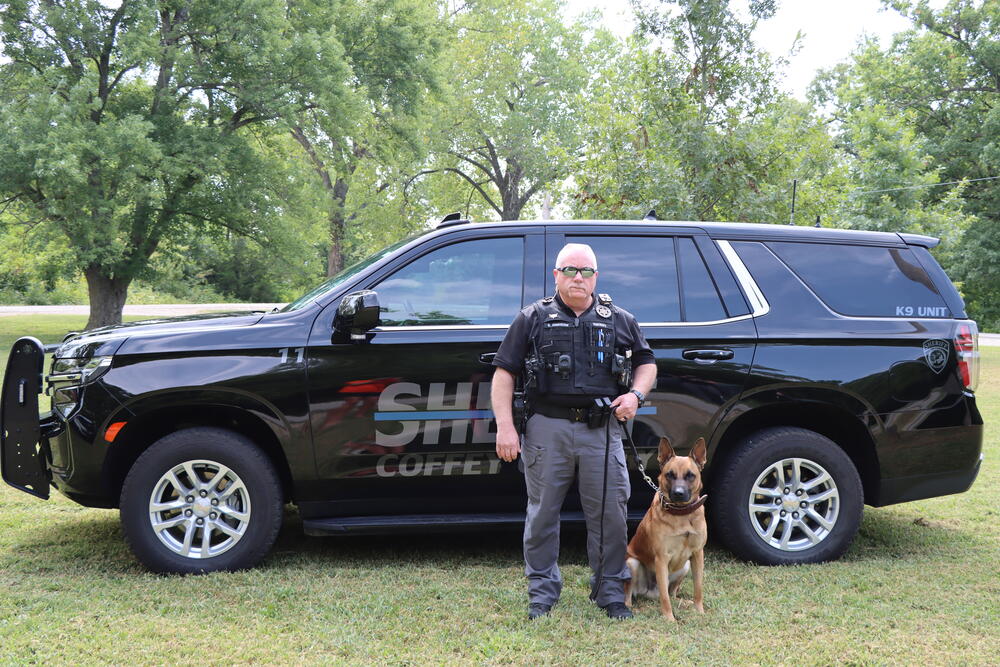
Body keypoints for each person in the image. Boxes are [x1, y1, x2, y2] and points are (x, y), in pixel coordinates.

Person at [491, 243, 657, 620]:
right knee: (542, 514)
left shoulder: (620, 319)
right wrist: (505, 426)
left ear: (596, 277)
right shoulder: (532, 318)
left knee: (610, 515)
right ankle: (542, 595)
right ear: (556, 275)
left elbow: (647, 362)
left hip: (602, 430)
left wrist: (635, 394)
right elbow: (504, 372)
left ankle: (611, 592)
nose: (578, 277)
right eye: (569, 270)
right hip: (547, 428)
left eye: (585, 271)